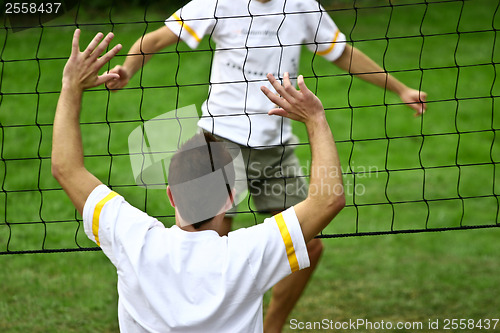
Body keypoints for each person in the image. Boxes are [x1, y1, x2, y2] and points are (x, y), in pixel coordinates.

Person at [106, 0, 427, 331]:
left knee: (310, 245)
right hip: (219, 145)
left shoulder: (302, 6)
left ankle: (270, 327)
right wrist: (128, 69)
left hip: (275, 147)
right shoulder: (217, 3)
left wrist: (400, 88)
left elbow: (342, 52)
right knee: (209, 242)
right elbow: (157, 39)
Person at [52, 29, 345, 332]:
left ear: (171, 195)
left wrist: (70, 86)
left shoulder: (133, 240)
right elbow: (328, 200)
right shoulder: (249, 255)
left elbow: (66, 168)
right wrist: (315, 119)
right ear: (231, 198)